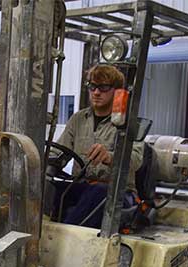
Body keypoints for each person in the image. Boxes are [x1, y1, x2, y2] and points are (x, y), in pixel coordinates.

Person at [53, 64, 143, 228]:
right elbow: (58, 152)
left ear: (117, 91)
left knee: (99, 193)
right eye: (92, 87)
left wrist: (109, 157)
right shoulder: (78, 119)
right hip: (82, 186)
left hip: (118, 193)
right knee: (49, 188)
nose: (96, 92)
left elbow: (136, 159)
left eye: (103, 87)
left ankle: (65, 239)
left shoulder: (128, 123)